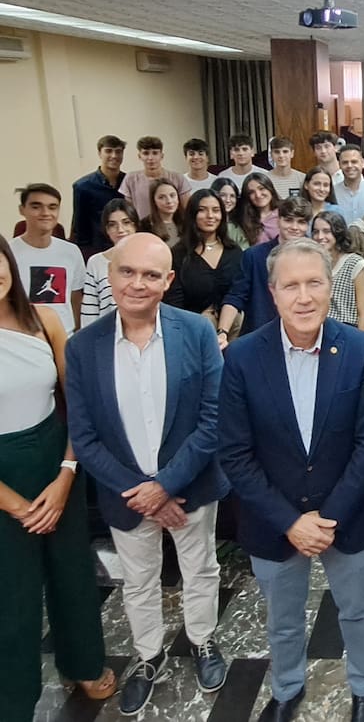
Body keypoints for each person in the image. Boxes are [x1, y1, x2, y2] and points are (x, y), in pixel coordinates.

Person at [219, 239, 364, 722]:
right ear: (272, 293)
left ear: (330, 286)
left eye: (314, 282)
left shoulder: (358, 349)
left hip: (346, 517)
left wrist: (326, 517)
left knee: (356, 611)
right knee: (284, 621)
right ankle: (288, 687)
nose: (304, 296)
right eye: (291, 285)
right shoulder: (244, 357)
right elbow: (235, 452)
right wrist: (291, 521)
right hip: (273, 522)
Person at [67, 233, 228, 714]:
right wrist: (143, 492)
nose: (138, 283)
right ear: (109, 275)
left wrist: (167, 485)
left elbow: (214, 418)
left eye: (152, 275)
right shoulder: (82, 347)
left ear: (168, 281)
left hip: (190, 486)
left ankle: (202, 640)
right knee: (138, 580)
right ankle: (148, 654)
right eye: (128, 271)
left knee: (200, 568)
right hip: (126, 493)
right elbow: (85, 435)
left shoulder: (197, 333)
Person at [0, 235, 116, 720]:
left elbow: (77, 403)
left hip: (56, 455)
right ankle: (15, 698)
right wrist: (12, 502)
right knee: (13, 595)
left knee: (72, 574)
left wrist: (67, 470)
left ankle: (83, 663)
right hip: (3, 476)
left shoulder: (44, 318)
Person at [216, 196, 313, 345]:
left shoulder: (315, 258)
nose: (294, 227)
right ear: (278, 220)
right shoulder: (254, 256)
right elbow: (236, 296)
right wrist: (222, 332)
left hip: (302, 338)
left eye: (301, 222)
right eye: (288, 220)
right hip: (258, 337)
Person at [11, 183, 86, 334]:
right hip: (25, 336)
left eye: (52, 207)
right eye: (36, 206)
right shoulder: (9, 252)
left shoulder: (71, 251)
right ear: (22, 210)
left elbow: (75, 298)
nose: (45, 213)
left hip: (66, 336)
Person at [165, 189, 243, 321]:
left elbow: (240, 293)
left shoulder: (234, 251)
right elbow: (173, 304)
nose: (210, 215)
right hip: (191, 329)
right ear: (192, 214)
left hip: (234, 328)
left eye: (216, 210)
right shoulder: (178, 255)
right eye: (202, 210)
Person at [81, 198, 139, 326]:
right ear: (106, 230)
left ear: (135, 226)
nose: (120, 229)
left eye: (126, 222)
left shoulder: (149, 258)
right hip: (106, 334)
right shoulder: (96, 262)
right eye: (112, 224)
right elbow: (89, 310)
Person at [71, 134, 126, 260]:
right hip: (98, 250)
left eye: (118, 151)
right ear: (99, 153)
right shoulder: (83, 186)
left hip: (125, 246)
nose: (114, 156)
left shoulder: (130, 182)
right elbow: (79, 227)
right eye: (108, 151)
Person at [313, 211, 364, 333]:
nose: (320, 236)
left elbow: (363, 313)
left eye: (326, 231)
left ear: (337, 233)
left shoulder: (355, 263)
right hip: (320, 331)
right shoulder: (313, 264)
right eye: (316, 232)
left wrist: (361, 344)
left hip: (348, 331)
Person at [236, 171, 280, 246]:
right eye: (251, 192)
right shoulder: (242, 218)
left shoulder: (284, 212)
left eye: (261, 188)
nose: (258, 195)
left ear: (270, 189)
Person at [141, 178, 186, 247]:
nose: (169, 201)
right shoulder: (145, 225)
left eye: (172, 195)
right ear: (154, 201)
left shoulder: (187, 221)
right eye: (161, 197)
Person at [334, 145, 364, 223]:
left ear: (363, 163)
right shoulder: (333, 193)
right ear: (339, 165)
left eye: (354, 162)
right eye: (345, 162)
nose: (350, 166)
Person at [213, 177, 252, 249]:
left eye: (232, 196)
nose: (228, 200)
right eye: (223, 195)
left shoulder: (238, 226)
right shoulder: (207, 222)